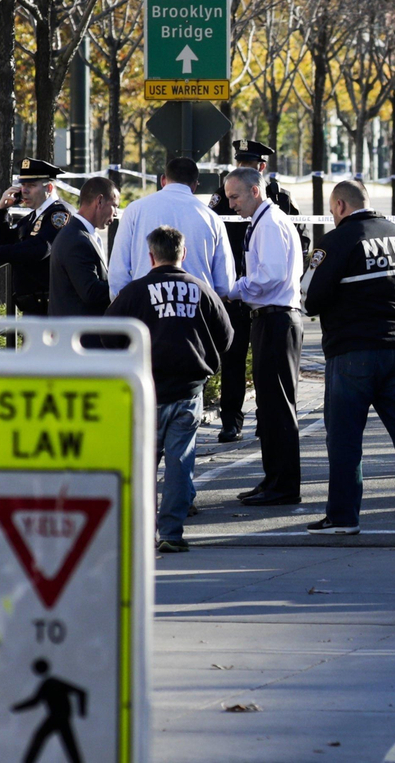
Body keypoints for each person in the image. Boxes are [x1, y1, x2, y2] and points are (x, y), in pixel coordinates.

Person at [302, 180, 395, 536]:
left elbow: (310, 299)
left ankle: (343, 517)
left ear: (338, 206)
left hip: (355, 352)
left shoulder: (337, 241)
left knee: (345, 436)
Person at [106, 227, 233, 552]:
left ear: (151, 256)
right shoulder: (201, 289)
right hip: (188, 390)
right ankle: (171, 534)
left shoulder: (135, 292)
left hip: (146, 391)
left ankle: (141, 533)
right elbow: (226, 334)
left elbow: (108, 334)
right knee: (180, 463)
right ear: (183, 254)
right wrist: (207, 362)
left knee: (143, 464)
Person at [223, 166, 304, 506]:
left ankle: (283, 486)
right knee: (269, 407)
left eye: (235, 196)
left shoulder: (270, 224)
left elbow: (268, 277)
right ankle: (274, 478)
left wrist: (233, 288)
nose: (231, 205)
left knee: (278, 407)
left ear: (255, 191)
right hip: (270, 319)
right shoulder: (265, 221)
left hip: (276, 319)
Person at [208, 140, 298, 443]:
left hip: (256, 294)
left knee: (268, 374)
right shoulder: (223, 198)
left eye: (249, 165)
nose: (233, 203)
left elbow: (292, 246)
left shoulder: (278, 203)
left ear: (260, 171)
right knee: (233, 359)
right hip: (239, 293)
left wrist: (236, 287)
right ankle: (231, 420)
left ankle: (267, 421)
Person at [109, 156, 235, 299]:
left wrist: (126, 306)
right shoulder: (212, 218)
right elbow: (225, 284)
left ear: (163, 180)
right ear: (194, 185)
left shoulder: (134, 210)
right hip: (196, 309)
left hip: (145, 308)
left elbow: (118, 272)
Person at [0, 158, 73, 316]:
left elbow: (41, 248)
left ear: (49, 187)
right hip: (34, 307)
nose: (24, 191)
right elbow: (4, 242)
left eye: (31, 186)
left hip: (51, 309)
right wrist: (1, 210)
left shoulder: (59, 213)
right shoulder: (33, 217)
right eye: (23, 185)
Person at [49, 176, 119, 317]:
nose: (116, 213)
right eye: (114, 206)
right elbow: (91, 292)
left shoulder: (80, 234)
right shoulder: (77, 240)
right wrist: (126, 287)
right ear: (99, 201)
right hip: (78, 334)